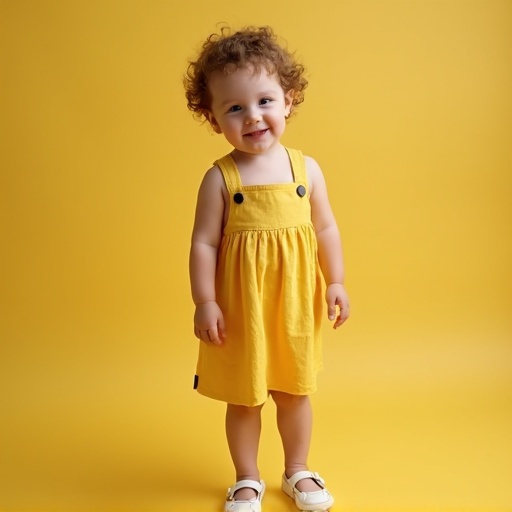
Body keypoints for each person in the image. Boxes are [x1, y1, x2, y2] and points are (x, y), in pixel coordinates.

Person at [184, 26, 349, 512]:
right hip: (242, 309)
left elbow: (325, 230)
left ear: (289, 100)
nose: (252, 117)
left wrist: (335, 279)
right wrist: (205, 300)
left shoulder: (306, 170)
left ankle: (298, 468)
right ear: (214, 119)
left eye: (264, 101)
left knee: (295, 392)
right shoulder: (220, 177)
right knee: (246, 398)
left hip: (294, 304)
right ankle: (247, 478)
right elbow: (203, 242)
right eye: (234, 108)